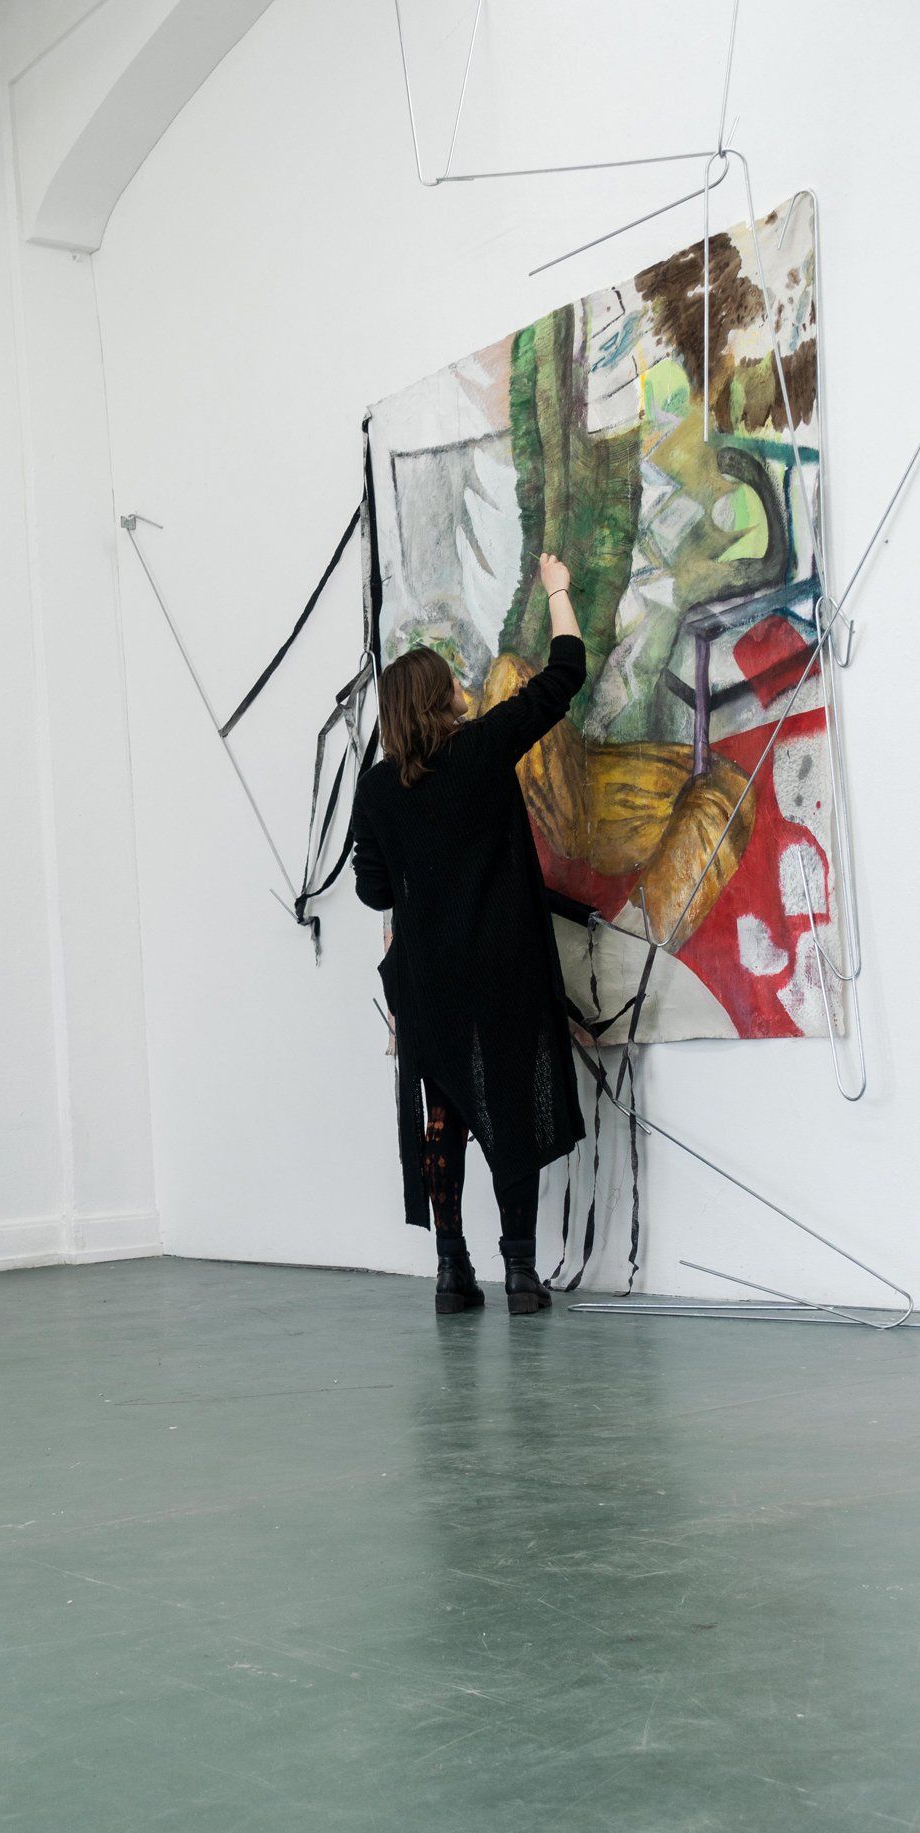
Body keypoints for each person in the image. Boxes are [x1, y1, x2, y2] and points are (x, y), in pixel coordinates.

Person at [350, 554, 587, 1317]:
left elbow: (373, 889)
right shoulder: (483, 747)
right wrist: (557, 590)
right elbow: (565, 673)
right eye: (449, 677)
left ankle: (452, 1273)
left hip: (428, 984)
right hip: (501, 971)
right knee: (513, 1112)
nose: (462, 681)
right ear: (437, 698)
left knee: (444, 1119)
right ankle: (519, 1273)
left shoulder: (378, 788)